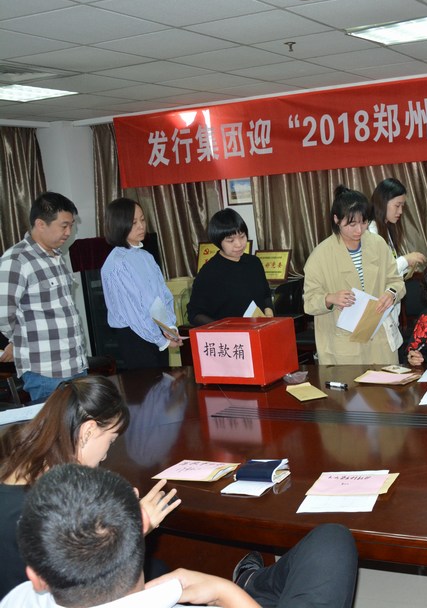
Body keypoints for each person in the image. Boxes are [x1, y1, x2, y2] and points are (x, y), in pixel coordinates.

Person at [2, 464, 358, 608]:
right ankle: (248, 586)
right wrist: (224, 591)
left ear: (36, 577)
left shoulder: (18, 600)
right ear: (143, 529)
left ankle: (252, 583)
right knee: (333, 542)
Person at [0, 376, 178, 597]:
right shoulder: (41, 507)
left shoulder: (20, 463)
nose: (105, 456)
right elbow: (83, 575)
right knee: (161, 574)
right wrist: (138, 527)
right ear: (88, 430)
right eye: (110, 440)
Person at [0, 192, 87, 402]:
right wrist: (19, 341)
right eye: (64, 226)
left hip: (75, 363)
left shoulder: (56, 257)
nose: (69, 232)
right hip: (45, 371)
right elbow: (3, 313)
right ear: (40, 224)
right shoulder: (17, 260)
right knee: (53, 423)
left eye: (71, 225)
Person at [303, 186, 405, 364]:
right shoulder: (320, 256)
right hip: (343, 343)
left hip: (379, 336)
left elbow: (396, 281)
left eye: (364, 222)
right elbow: (309, 302)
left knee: (386, 381)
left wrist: (391, 293)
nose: (359, 230)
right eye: (352, 224)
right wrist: (330, 298)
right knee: (352, 383)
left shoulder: (378, 244)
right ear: (336, 219)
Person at [101, 198, 181, 370]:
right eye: (133, 222)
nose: (141, 226)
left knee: (164, 382)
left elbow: (163, 294)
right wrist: (162, 341)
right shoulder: (117, 263)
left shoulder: (146, 256)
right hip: (135, 336)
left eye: (142, 220)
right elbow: (134, 311)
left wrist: (169, 327)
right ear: (119, 225)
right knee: (147, 384)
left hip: (155, 330)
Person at [188, 208, 273, 325]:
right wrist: (223, 328)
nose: (239, 244)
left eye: (242, 236)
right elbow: (195, 314)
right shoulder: (209, 272)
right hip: (230, 334)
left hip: (260, 329)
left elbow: (266, 294)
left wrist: (268, 312)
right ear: (218, 241)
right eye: (230, 240)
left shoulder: (254, 262)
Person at [369, 178, 427, 277]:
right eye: (397, 205)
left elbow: (391, 268)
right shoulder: (370, 231)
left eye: (402, 206)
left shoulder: (385, 227)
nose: (400, 211)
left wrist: (406, 267)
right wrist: (405, 260)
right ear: (383, 202)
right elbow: (380, 272)